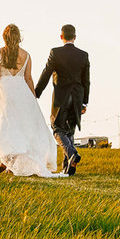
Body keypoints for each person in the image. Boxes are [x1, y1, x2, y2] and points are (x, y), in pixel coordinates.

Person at [0, 24, 65, 178]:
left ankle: (7, 160)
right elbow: (28, 78)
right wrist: (33, 97)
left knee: (7, 125)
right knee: (22, 126)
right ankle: (10, 162)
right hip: (22, 92)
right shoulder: (26, 55)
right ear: (19, 38)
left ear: (4, 37)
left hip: (5, 91)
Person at [36, 24, 91, 176]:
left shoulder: (56, 53)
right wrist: (84, 102)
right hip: (77, 98)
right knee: (70, 131)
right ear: (75, 37)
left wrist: (36, 93)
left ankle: (72, 153)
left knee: (57, 128)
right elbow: (86, 81)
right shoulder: (83, 55)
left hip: (61, 97)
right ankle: (67, 168)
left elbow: (46, 74)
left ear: (61, 37)